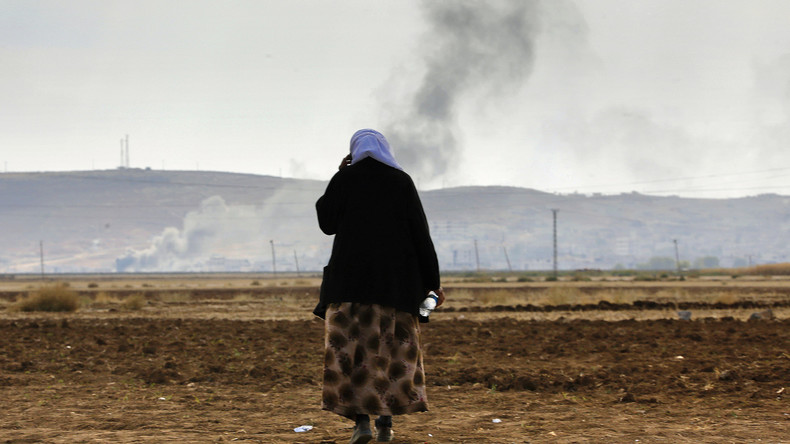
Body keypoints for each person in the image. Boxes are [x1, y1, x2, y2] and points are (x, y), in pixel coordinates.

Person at [314, 129, 445, 444]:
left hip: (349, 288)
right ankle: (385, 425)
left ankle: (361, 424)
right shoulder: (401, 182)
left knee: (351, 356)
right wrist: (433, 284)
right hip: (396, 289)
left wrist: (338, 174)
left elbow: (326, 223)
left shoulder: (345, 179)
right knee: (392, 355)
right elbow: (421, 235)